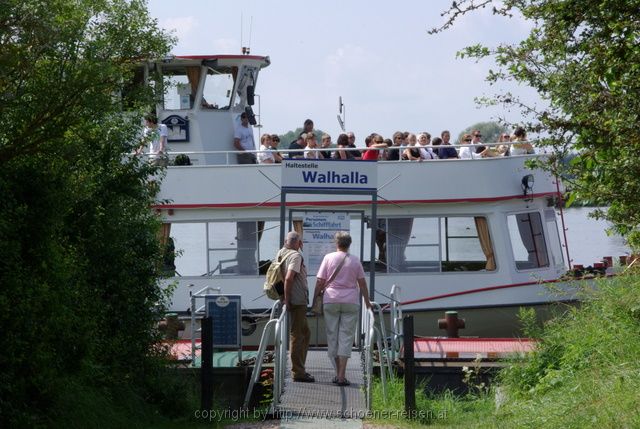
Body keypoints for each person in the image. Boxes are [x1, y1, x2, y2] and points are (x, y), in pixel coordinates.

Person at [313, 232, 372, 386]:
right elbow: (362, 283)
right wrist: (367, 302)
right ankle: (341, 376)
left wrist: (314, 299)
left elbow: (320, 281)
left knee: (332, 335)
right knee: (346, 337)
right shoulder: (355, 260)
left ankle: (337, 373)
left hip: (331, 300)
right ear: (349, 244)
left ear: (336, 243)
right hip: (351, 302)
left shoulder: (328, 258)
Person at [280, 231, 314, 383]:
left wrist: (284, 298)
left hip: (292, 300)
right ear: (299, 243)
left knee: (305, 333)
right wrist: (287, 300)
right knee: (297, 335)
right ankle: (298, 372)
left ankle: (300, 365)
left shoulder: (281, 253)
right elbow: (288, 278)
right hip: (297, 301)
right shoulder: (296, 256)